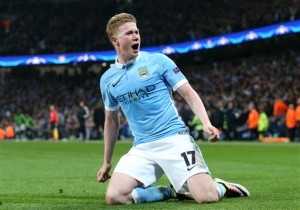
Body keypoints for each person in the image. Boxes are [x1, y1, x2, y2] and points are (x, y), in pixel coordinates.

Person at [97, 13, 250, 205]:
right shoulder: (107, 80)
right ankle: (168, 191)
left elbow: (188, 93)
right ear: (115, 40)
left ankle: (221, 186)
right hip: (142, 147)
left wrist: (206, 123)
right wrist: (107, 162)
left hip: (174, 139)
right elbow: (111, 121)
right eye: (129, 33)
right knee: (115, 196)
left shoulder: (158, 61)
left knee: (206, 197)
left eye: (137, 32)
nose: (136, 36)